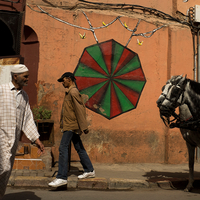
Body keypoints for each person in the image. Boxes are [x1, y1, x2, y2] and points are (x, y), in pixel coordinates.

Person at [0, 64, 44, 199]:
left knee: (6, 171)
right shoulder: (2, 90)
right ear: (15, 76)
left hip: (13, 139)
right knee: (4, 167)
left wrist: (36, 139)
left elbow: (27, 118)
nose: (27, 79)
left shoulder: (24, 96)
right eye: (25, 76)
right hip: (1, 135)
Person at [48, 72, 95, 187]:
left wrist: (84, 127)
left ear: (69, 79)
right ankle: (89, 170)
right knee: (79, 147)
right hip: (69, 125)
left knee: (63, 148)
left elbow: (80, 109)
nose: (62, 82)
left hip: (71, 125)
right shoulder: (70, 92)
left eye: (63, 80)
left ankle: (62, 177)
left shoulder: (73, 92)